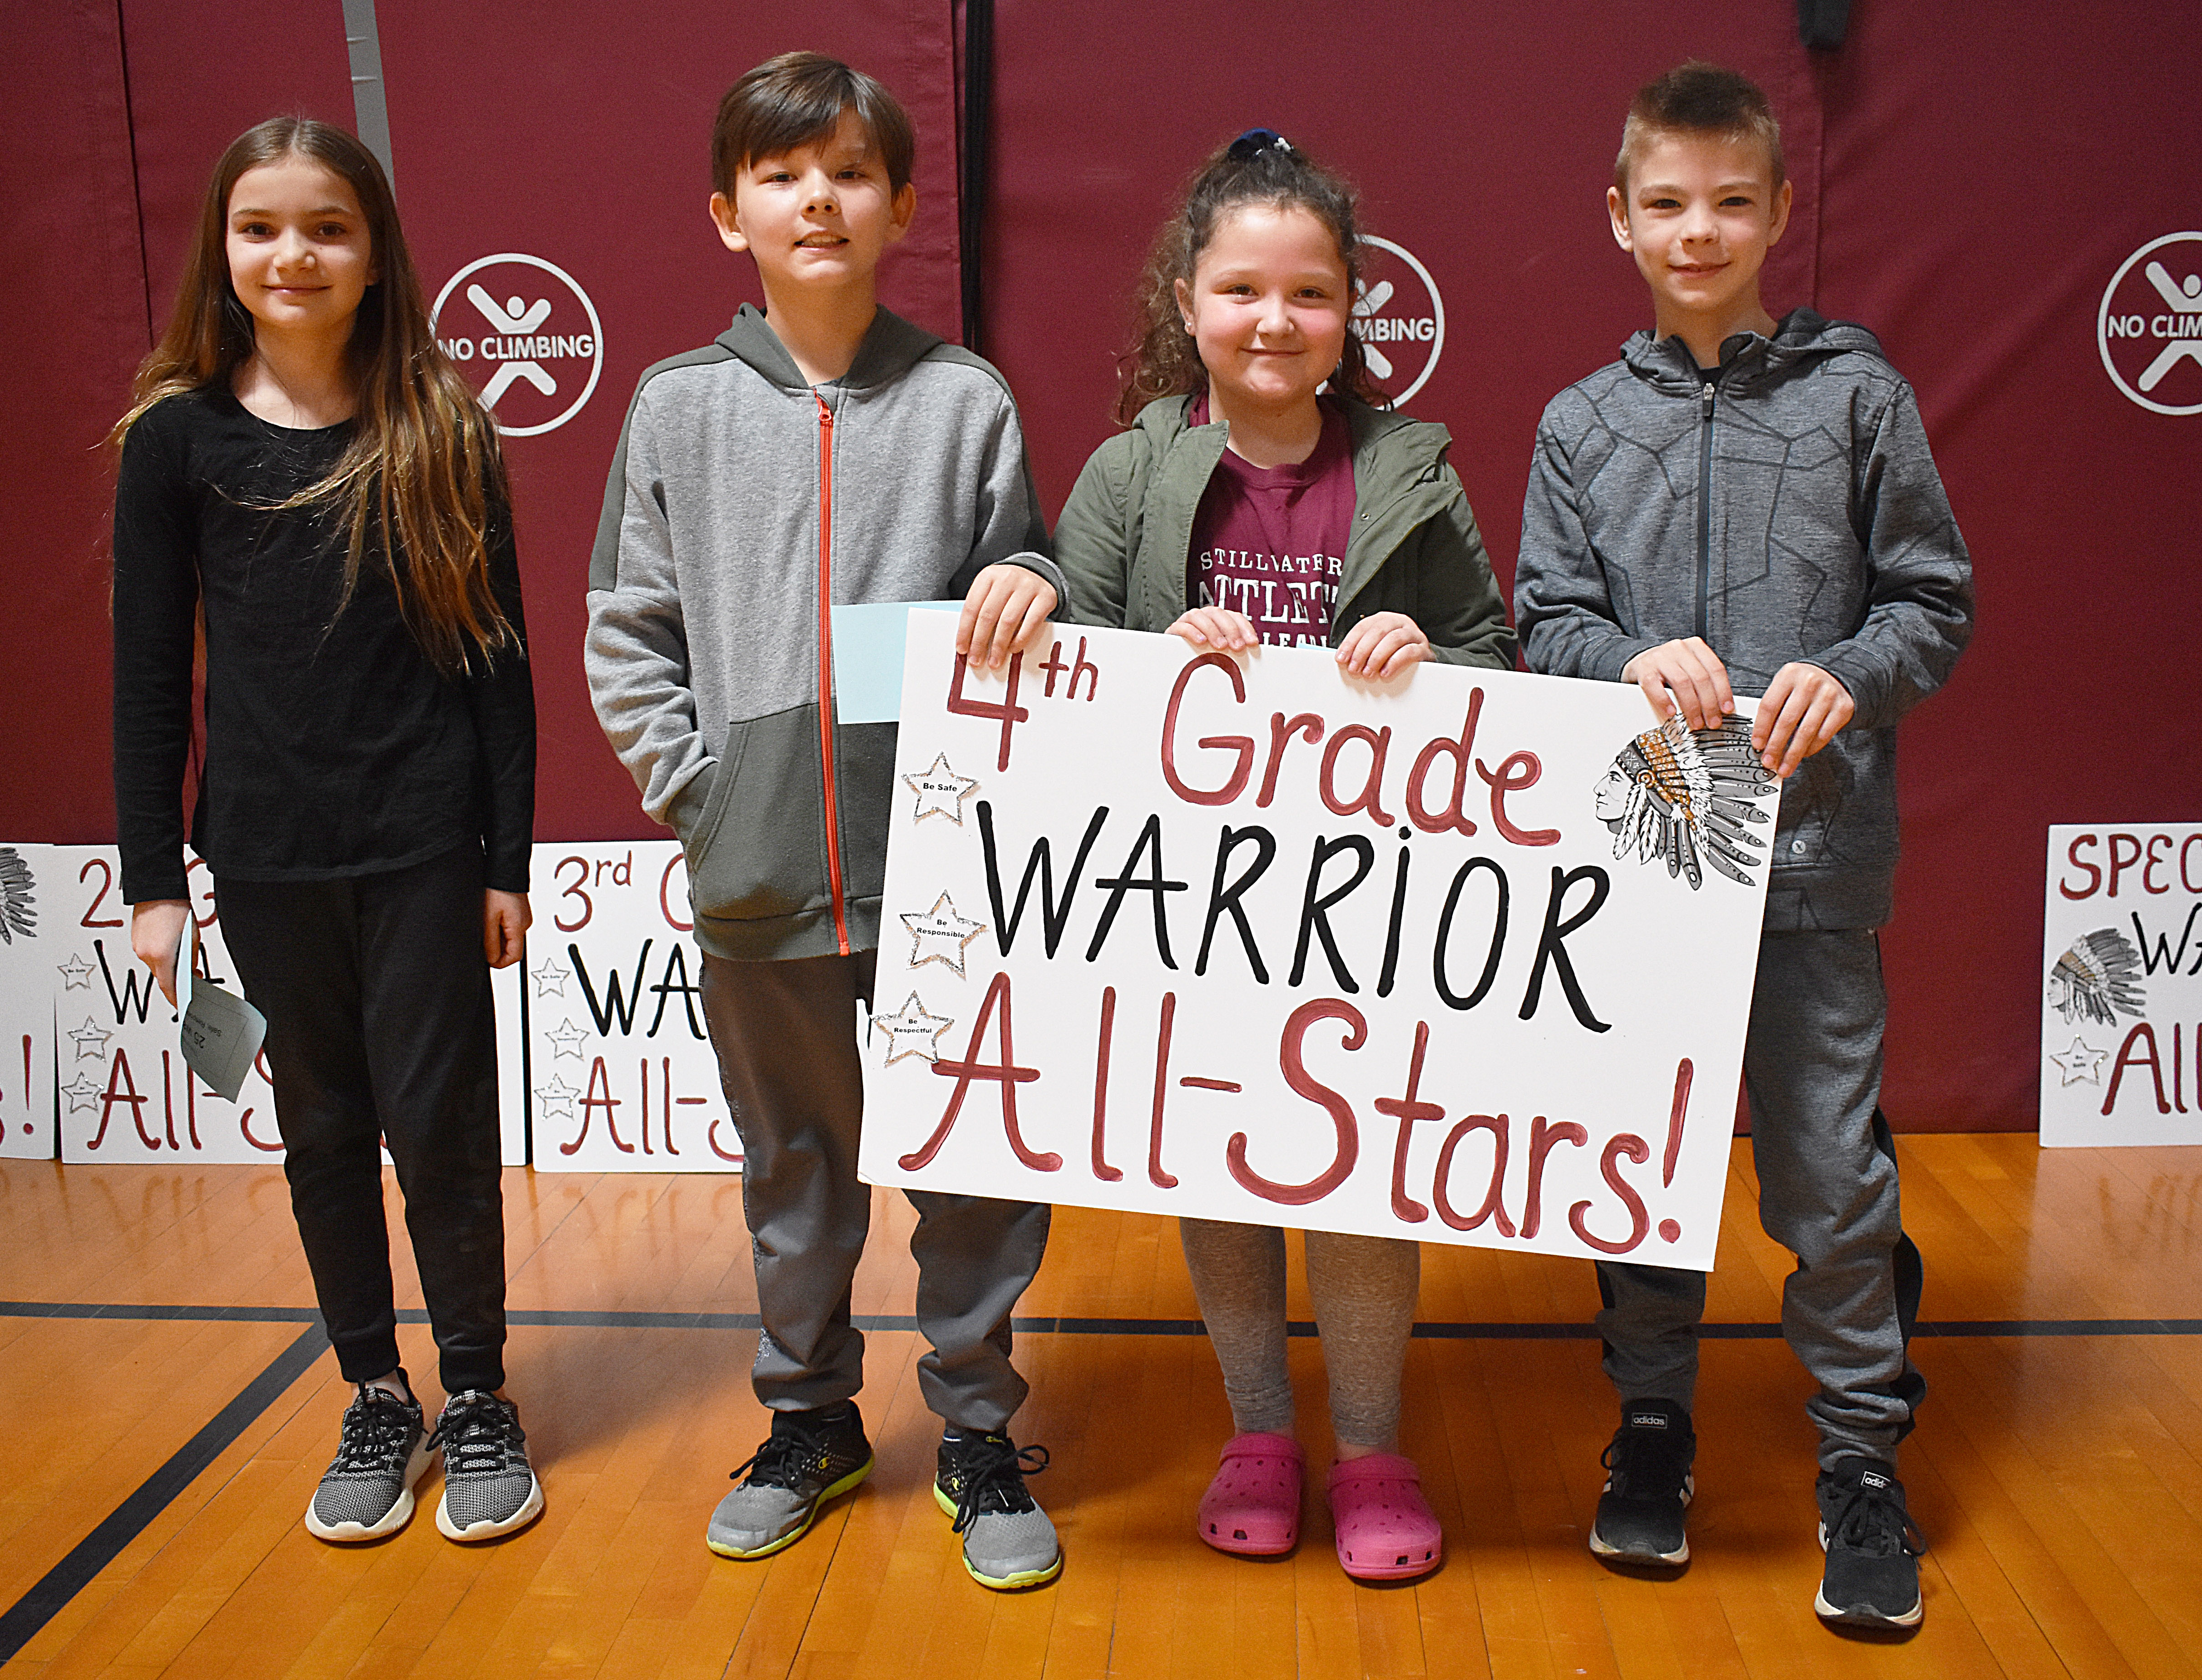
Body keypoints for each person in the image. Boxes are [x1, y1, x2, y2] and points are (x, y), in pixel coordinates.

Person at [583, 52, 1069, 1591]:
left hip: (946, 878)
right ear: (729, 211)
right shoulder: (675, 406)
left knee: (976, 1168)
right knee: (795, 1170)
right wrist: (706, 802)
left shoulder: (965, 399)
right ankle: (810, 1421)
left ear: (902, 206)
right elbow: (625, 628)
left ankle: (982, 1433)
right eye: (784, 174)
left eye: (852, 172)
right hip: (759, 877)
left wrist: (1035, 584)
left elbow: (1032, 585)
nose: (820, 198)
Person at [1515, 63, 1974, 1631]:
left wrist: (1850, 677)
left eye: (1729, 200)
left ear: (1780, 210)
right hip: (1644, 878)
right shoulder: (1580, 424)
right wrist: (1624, 663)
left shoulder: (1861, 396)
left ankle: (1860, 1455)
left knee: (1832, 1181)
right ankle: (1652, 1423)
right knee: (1638, 1171)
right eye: (1666, 203)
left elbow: (1935, 602)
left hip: (1814, 874)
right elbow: (1547, 625)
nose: (1696, 229)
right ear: (1621, 221)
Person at [1052, 129, 1515, 1582]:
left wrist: (1426, 654)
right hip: (1191, 898)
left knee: (1365, 1165)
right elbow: (1060, 633)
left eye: (1308, 294)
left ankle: (1371, 1444)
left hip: (1368, 906)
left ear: (1350, 310)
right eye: (1241, 289)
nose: (1274, 319)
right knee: (1225, 1157)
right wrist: (1148, 649)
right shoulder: (1132, 470)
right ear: (1186, 304)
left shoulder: (1414, 472)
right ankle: (1259, 1428)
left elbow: (1500, 660)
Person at [112, 118, 542, 1544]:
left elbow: (497, 661)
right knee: (321, 1131)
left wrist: (502, 860)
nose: (292, 254)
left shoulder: (441, 427)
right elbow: (144, 669)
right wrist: (153, 875)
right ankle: (377, 1388)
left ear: (374, 254)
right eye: (259, 228)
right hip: (267, 856)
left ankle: (477, 1392)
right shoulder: (176, 441)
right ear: (223, 250)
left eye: (327, 229)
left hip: (423, 848)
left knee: (440, 1127)